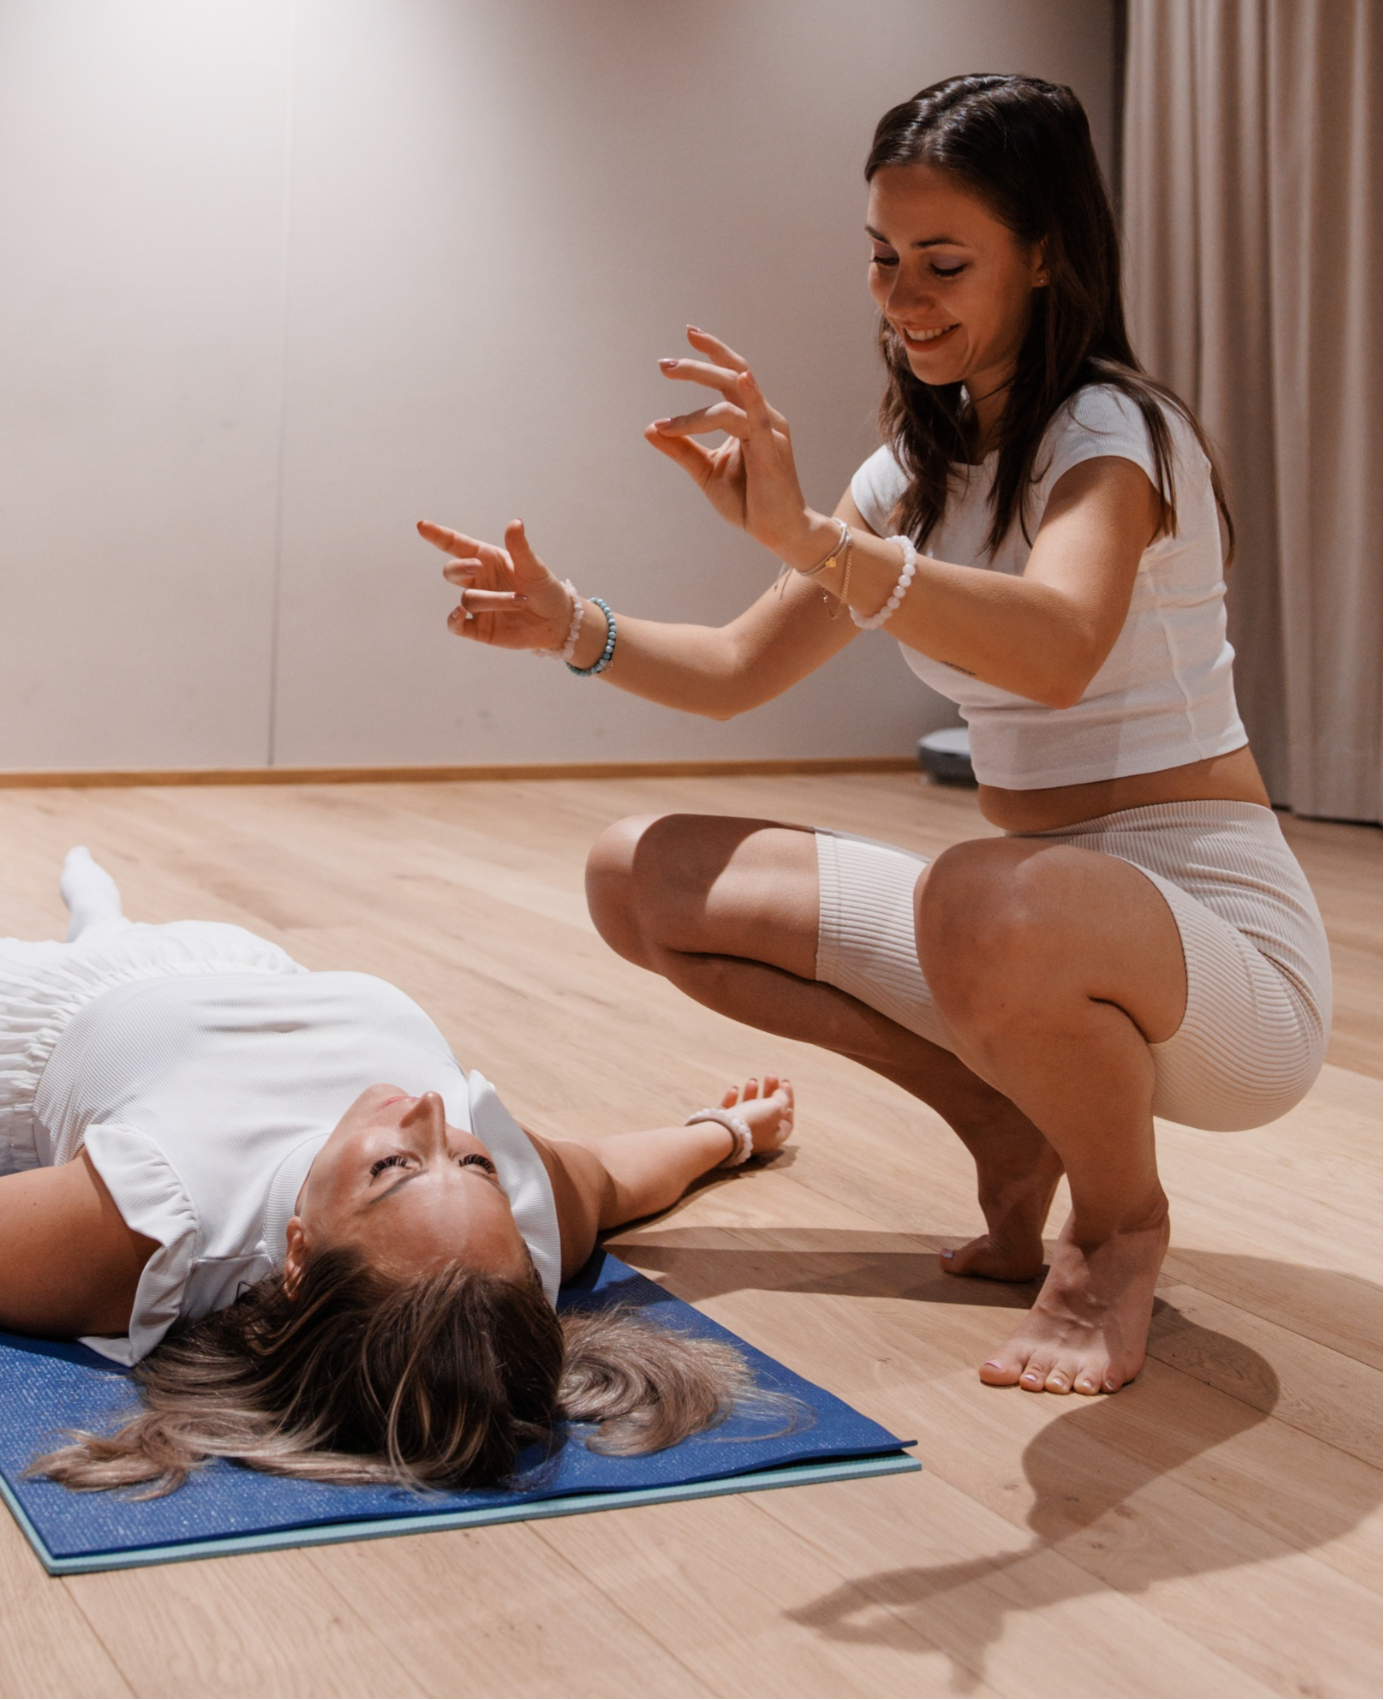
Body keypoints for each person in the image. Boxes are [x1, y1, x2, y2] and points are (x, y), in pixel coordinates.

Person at [419, 74, 1330, 1400]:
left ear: (1045, 255)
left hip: (1219, 962)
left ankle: (1117, 1225)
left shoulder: (1114, 432)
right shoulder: (909, 474)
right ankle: (1002, 1113)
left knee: (978, 892)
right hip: (1019, 922)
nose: (904, 298)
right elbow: (737, 671)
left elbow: (1059, 648)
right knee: (641, 873)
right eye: (883, 258)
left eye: (943, 263)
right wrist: (573, 624)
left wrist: (816, 542)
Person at [0, 850, 794, 1493]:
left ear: (298, 1252)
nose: (433, 1112)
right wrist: (725, 1133)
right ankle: (104, 922)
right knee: (130, 934)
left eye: (395, 1166)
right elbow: (617, 1173)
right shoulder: (515, 1215)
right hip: (228, 969)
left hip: (20, 1033)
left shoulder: (147, 1226)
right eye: (470, 1159)